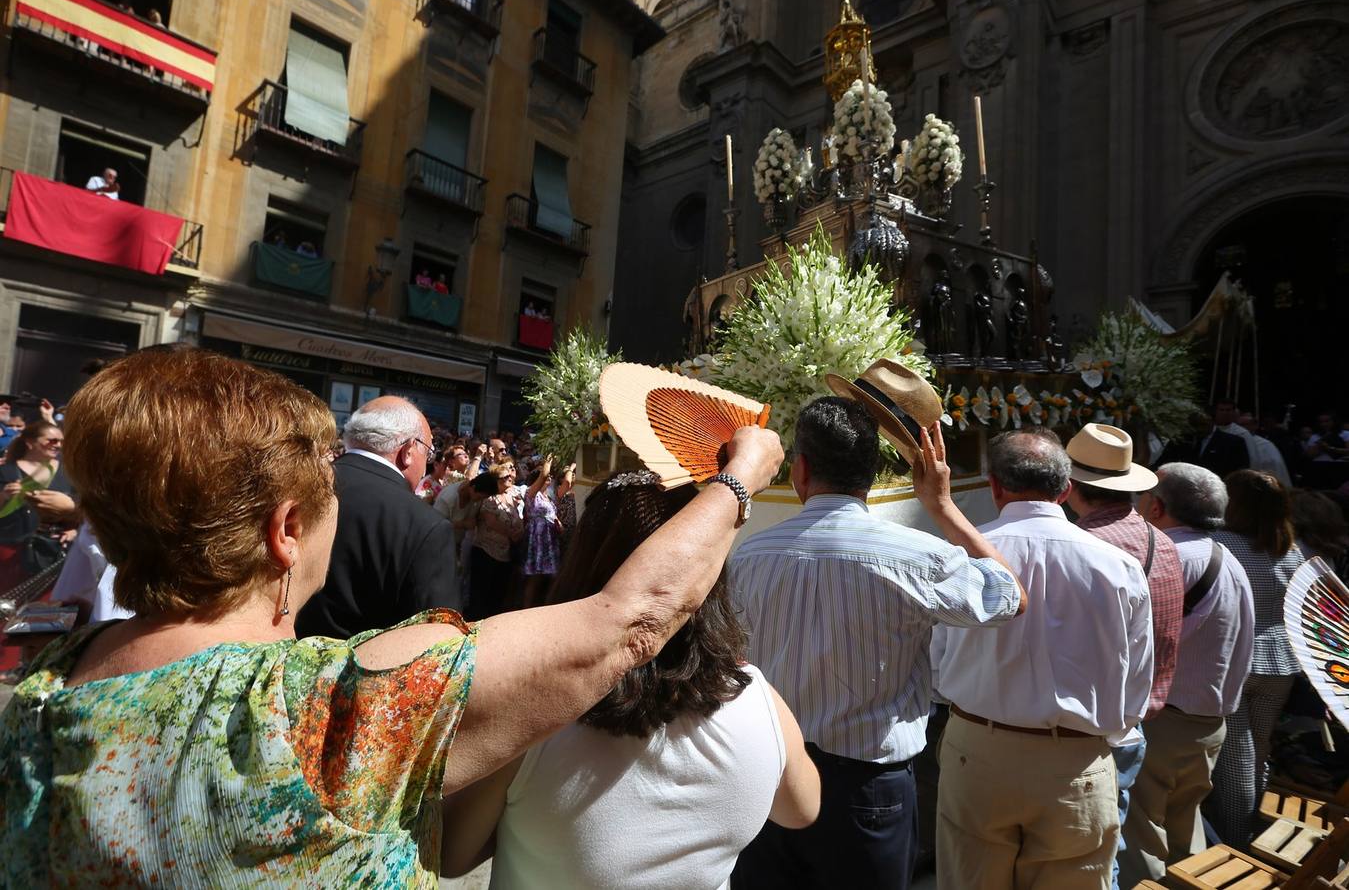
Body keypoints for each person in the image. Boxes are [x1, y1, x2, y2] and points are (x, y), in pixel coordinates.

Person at [0, 346, 784, 885]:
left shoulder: (41, 686)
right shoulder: (336, 709)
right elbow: (632, 621)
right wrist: (741, 478)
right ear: (286, 532)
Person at [441, 470, 821, 887]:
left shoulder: (533, 711)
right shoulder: (756, 699)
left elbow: (452, 854)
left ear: (585, 563)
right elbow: (801, 808)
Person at [732, 385, 1026, 890]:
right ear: (873, 475)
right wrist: (943, 508)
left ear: (799, 471)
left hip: (769, 777)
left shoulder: (746, 557)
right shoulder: (918, 556)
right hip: (867, 790)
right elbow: (1010, 596)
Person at [932, 428, 1153, 890]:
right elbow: (1137, 681)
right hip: (1077, 759)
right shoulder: (1119, 566)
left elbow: (935, 662)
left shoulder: (956, 557)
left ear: (994, 487)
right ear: (1067, 490)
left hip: (980, 750)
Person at [1062, 423, 1184, 890]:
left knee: (1084, 863)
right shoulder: (1164, 544)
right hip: (1132, 725)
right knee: (1104, 855)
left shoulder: (1086, 550)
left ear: (1070, 487)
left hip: (1083, 731)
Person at [1122, 463, 1254, 884]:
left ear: (1155, 506)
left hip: (1167, 722)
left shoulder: (1173, 559)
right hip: (1207, 721)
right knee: (1182, 829)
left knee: (1142, 836)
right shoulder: (1225, 558)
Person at [294, 396, 460, 639]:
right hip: (360, 671)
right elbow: (436, 644)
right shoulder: (427, 526)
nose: (427, 464)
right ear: (408, 451)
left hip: (279, 660)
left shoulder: (296, 487)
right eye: (429, 451)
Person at [1206, 469, 1306, 847]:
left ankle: (1237, 842)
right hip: (1280, 663)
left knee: (1235, 759)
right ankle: (1253, 829)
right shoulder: (1290, 548)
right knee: (1258, 750)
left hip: (1236, 661)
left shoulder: (1219, 542)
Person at [0, 421, 78, 592]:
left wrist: (74, 530)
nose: (57, 445)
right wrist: (5, 496)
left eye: (61, 441)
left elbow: (81, 505)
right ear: (29, 443)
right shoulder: (6, 471)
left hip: (55, 552)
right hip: (13, 551)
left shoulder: (69, 472)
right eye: (52, 440)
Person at [466, 465, 523, 620]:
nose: (510, 478)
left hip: (504, 555)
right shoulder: (489, 498)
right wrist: (511, 533)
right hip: (486, 552)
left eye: (510, 475)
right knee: (480, 596)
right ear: (496, 481)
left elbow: (517, 519)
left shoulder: (512, 497)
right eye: (505, 477)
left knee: (497, 596)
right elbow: (490, 522)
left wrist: (519, 530)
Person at [1156, 407, 1250, 478]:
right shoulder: (1181, 440)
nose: (1198, 429)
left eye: (1203, 424)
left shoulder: (1233, 443)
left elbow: (1240, 473)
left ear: (1213, 422)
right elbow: (1162, 463)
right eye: (1195, 425)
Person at [521, 455, 561, 609]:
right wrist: (549, 459)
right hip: (537, 538)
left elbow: (552, 516)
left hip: (549, 538)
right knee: (535, 577)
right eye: (546, 476)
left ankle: (546, 607)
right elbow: (544, 474)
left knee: (551, 576)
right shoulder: (532, 494)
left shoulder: (547, 498)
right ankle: (526, 608)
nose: (548, 477)